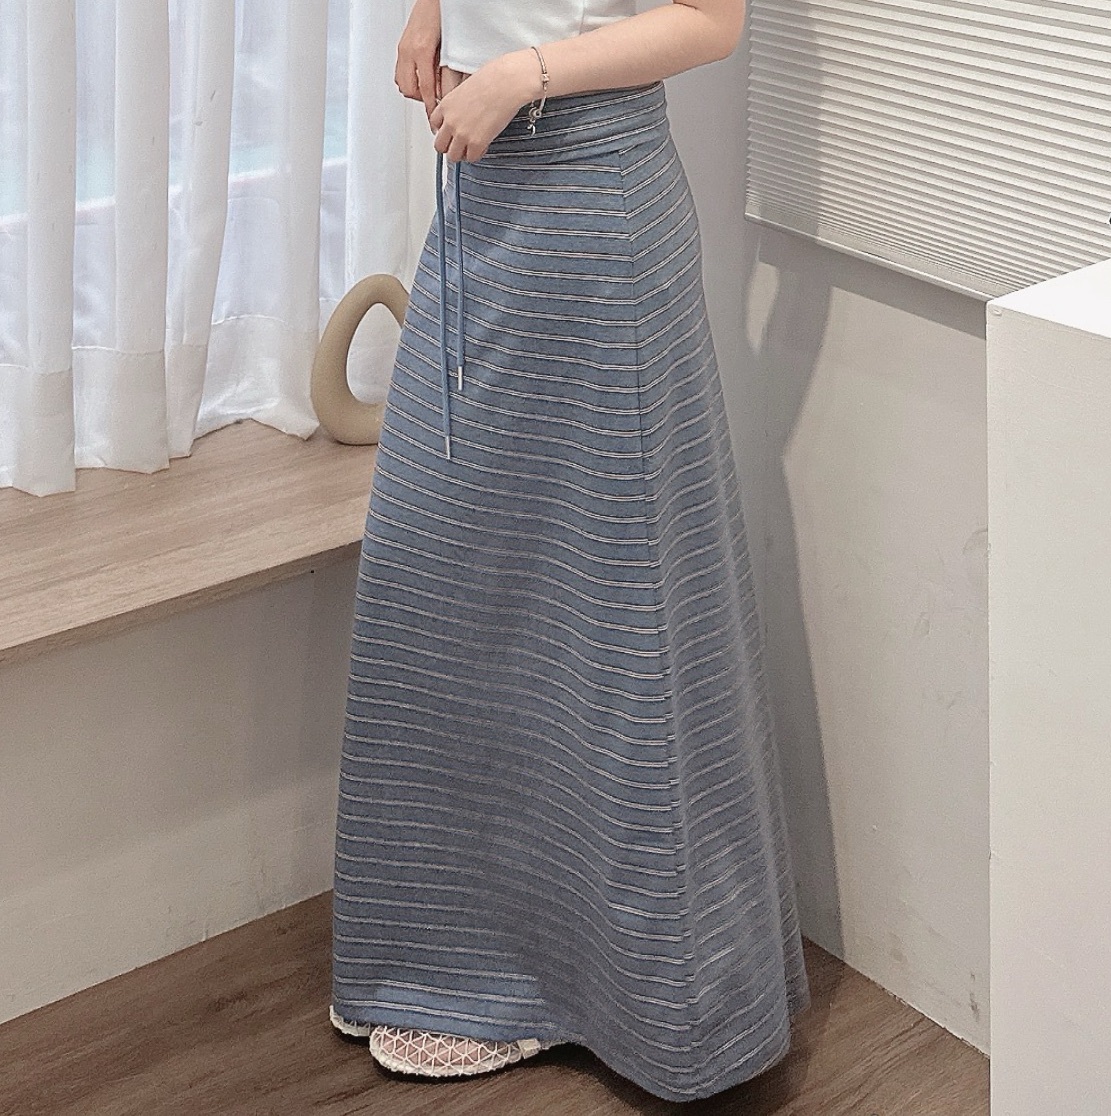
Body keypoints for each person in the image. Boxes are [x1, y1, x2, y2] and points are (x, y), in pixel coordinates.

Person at [328, 0, 811, 1102]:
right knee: (438, 578)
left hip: (598, 203)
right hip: (483, 194)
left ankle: (617, 994)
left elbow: (710, 22)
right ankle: (444, 954)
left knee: (613, 618)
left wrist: (524, 73)